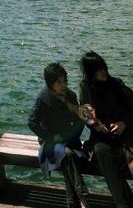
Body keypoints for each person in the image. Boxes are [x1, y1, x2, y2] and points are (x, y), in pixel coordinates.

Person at [78, 51, 133, 208]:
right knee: (102, 152)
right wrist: (96, 124)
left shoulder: (116, 85)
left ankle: (122, 204)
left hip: (125, 138)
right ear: (90, 72)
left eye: (104, 67)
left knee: (107, 161)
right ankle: (124, 204)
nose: (103, 72)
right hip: (103, 139)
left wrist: (123, 123)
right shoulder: (86, 87)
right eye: (98, 69)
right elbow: (84, 112)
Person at [29, 62, 91, 208]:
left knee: (69, 159)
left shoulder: (70, 95)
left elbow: (80, 120)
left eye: (64, 81)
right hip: (50, 142)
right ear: (50, 84)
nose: (63, 85)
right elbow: (32, 122)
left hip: (68, 139)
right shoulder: (43, 99)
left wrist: (72, 136)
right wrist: (51, 137)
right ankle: (82, 194)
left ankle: (73, 203)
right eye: (58, 82)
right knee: (68, 155)